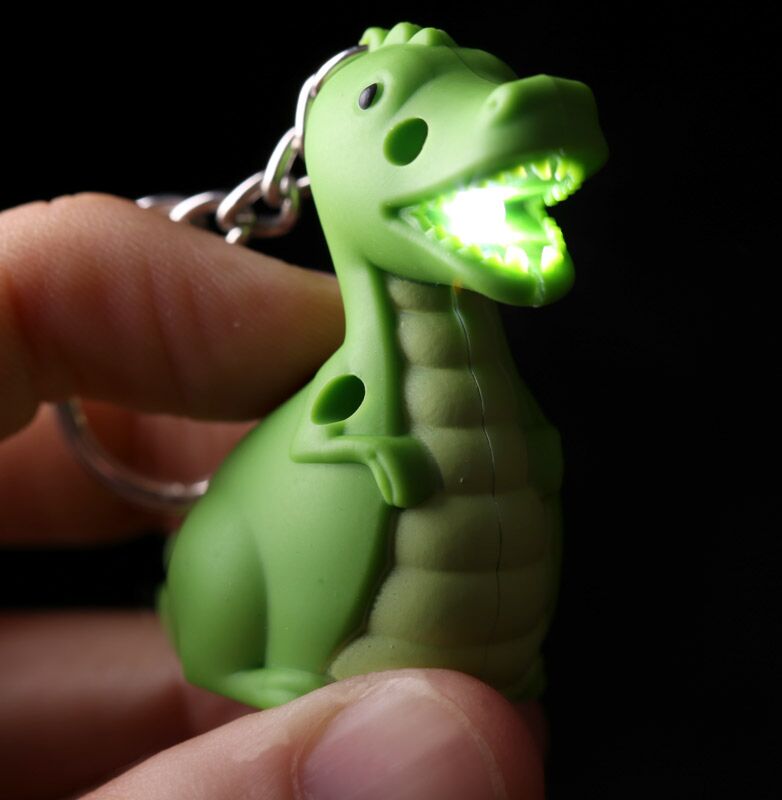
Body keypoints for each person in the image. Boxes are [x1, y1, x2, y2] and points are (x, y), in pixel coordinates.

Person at [0, 193, 546, 800]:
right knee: (219, 551)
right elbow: (319, 436)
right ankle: (231, 664)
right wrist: (368, 451)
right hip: (322, 617)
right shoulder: (353, 377)